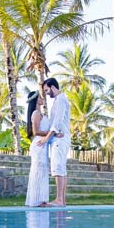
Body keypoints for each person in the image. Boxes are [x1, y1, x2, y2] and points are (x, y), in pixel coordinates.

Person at [36, 77, 71, 206]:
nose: (46, 93)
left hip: (59, 140)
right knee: (60, 168)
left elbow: (57, 122)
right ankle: (62, 200)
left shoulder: (61, 99)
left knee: (58, 167)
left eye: (46, 90)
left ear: (52, 87)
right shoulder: (58, 100)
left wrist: (46, 138)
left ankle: (59, 200)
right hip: (58, 137)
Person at [25, 91, 51, 207]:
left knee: (42, 170)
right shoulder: (36, 113)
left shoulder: (39, 113)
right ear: (36, 100)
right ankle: (37, 200)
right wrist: (51, 133)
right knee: (38, 170)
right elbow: (36, 132)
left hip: (43, 145)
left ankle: (41, 199)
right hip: (39, 144)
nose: (42, 98)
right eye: (40, 97)